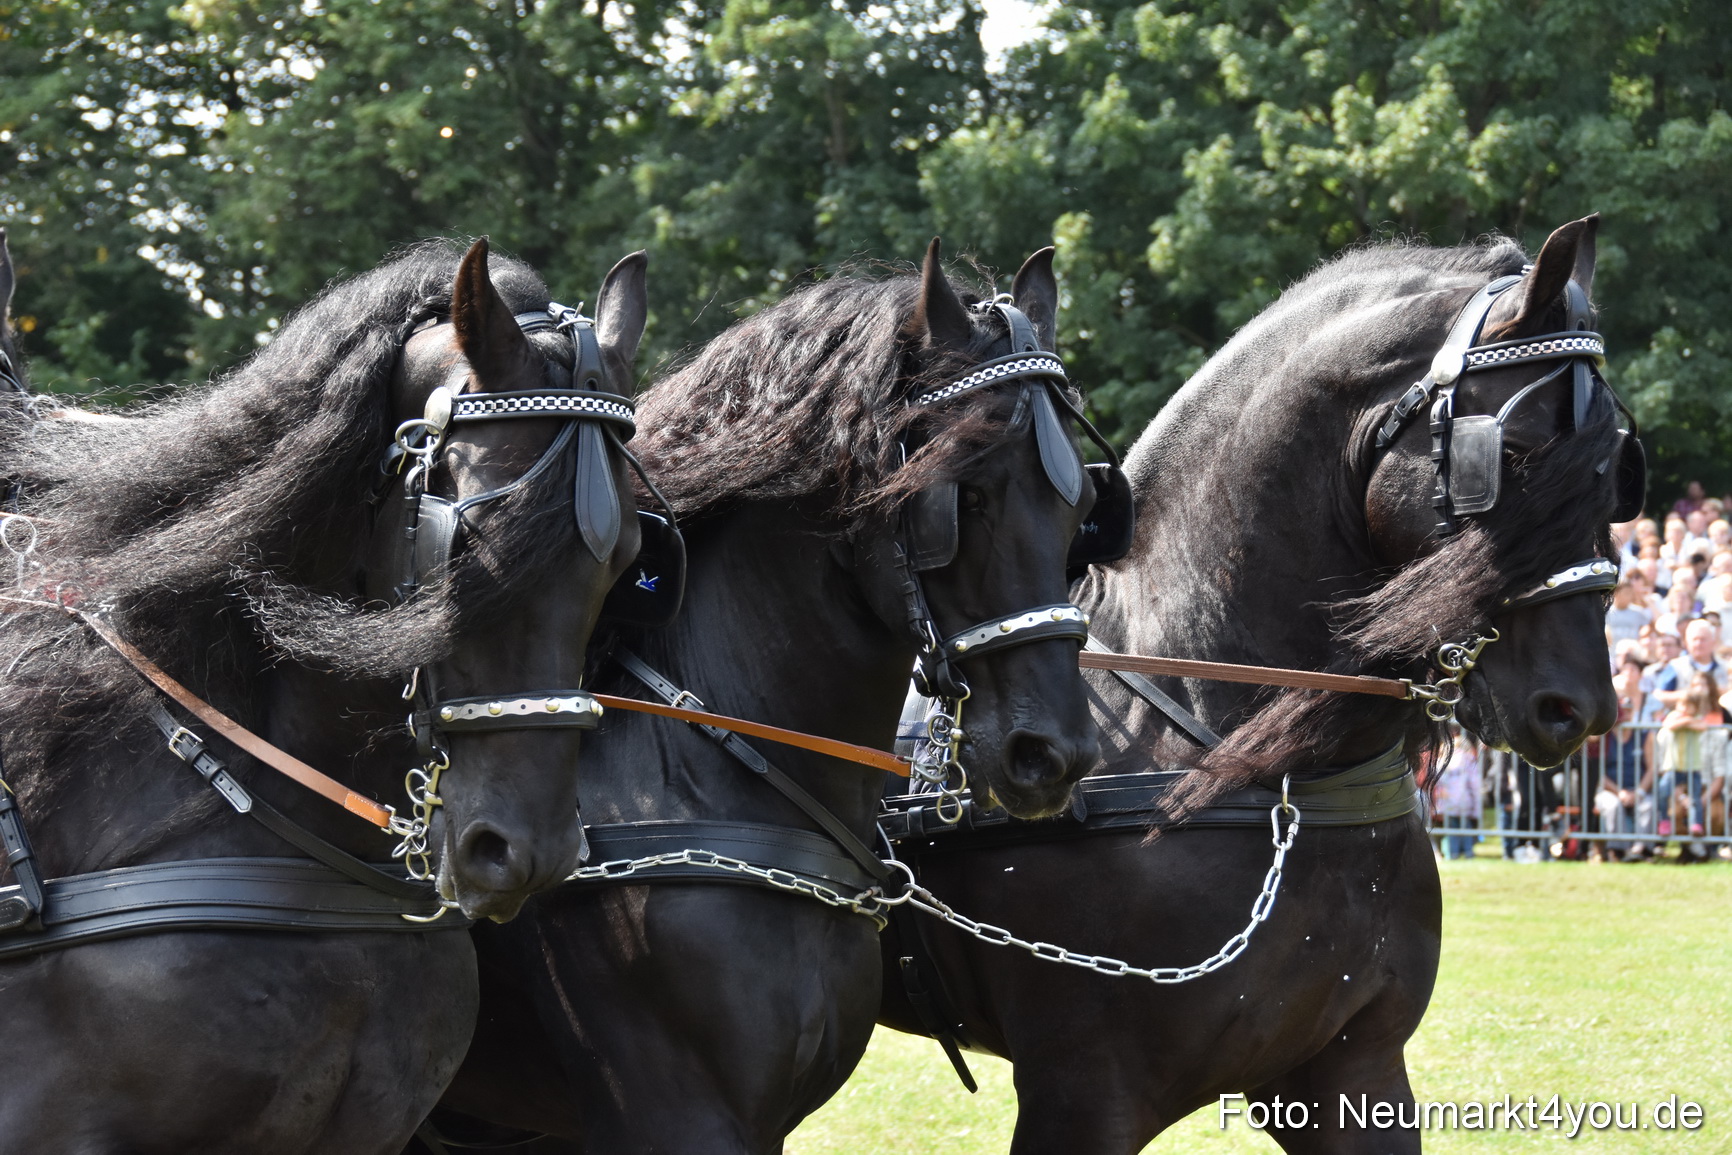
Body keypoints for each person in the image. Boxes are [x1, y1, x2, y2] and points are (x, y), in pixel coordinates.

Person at [1647, 669, 1728, 861]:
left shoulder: (1715, 735)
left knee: (1715, 812)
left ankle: (1704, 849)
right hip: (1678, 787)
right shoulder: (1666, 733)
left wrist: (1702, 800)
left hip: (1705, 788)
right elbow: (1662, 767)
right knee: (1674, 809)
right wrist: (1682, 797)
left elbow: (1720, 775)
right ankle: (1691, 849)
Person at [1596, 653, 1649, 861]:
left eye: (1628, 703)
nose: (1624, 708)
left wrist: (1639, 791)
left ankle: (1641, 851)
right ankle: (1617, 851)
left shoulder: (1643, 734)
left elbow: (1652, 768)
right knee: (1612, 804)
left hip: (1637, 788)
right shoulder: (1603, 736)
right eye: (1621, 703)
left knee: (1648, 804)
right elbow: (1597, 772)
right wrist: (1620, 792)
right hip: (1608, 789)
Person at [1431, 733, 1481, 860]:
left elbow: (1437, 780)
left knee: (1452, 828)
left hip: (1448, 801)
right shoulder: (1468, 759)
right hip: (1464, 799)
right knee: (1466, 827)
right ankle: (1468, 852)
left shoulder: (1442, 760)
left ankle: (1453, 853)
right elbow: (1474, 782)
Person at [1605, 580, 1651, 655]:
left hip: (1633, 655)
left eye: (1631, 593)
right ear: (1616, 594)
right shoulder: (1606, 612)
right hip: (1611, 654)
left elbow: (1647, 630)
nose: (1629, 596)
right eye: (1626, 593)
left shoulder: (1638, 613)